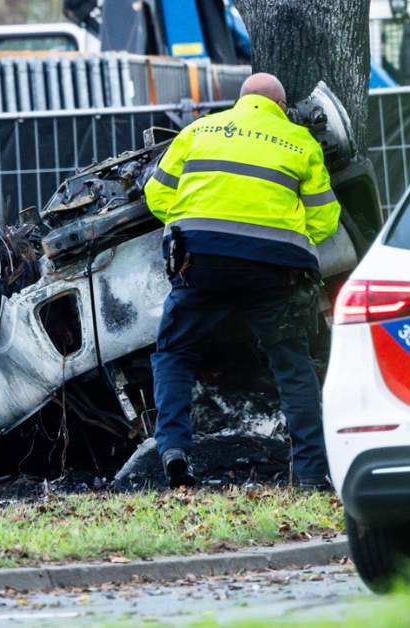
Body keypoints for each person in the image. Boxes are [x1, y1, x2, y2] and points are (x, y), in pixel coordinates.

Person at [143, 72, 341, 490]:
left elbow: (156, 195)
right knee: (292, 365)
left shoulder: (198, 130)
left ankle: (174, 450)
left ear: (241, 100)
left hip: (201, 261)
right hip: (273, 269)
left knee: (174, 354)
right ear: (282, 107)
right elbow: (324, 221)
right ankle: (308, 474)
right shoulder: (300, 142)